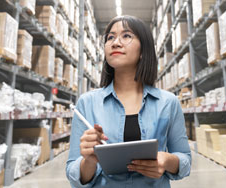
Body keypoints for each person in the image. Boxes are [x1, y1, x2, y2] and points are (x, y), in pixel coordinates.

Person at [66, 15, 191, 188]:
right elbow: (73, 173)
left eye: (126, 36)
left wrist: (167, 160)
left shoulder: (168, 103)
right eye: (110, 37)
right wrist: (89, 161)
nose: (115, 42)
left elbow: (185, 160)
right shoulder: (86, 103)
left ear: (143, 50)